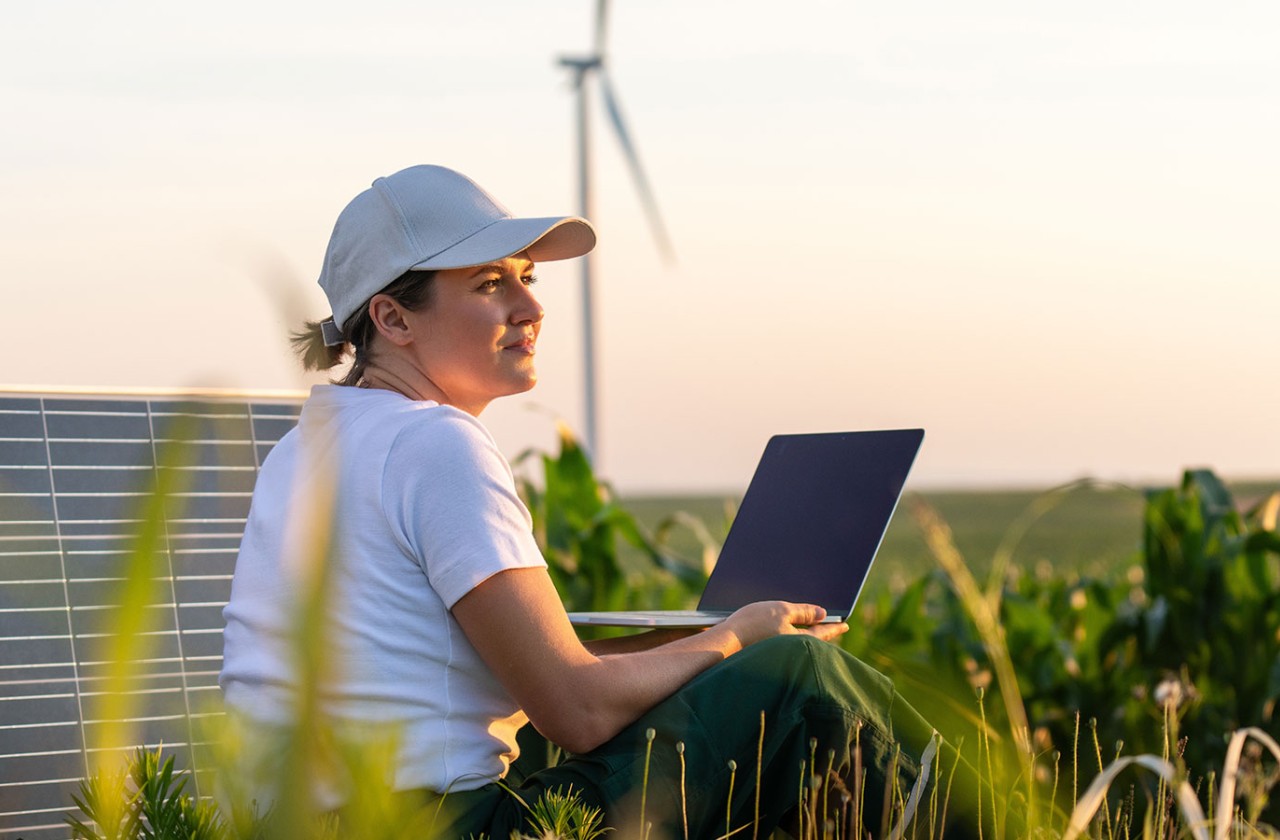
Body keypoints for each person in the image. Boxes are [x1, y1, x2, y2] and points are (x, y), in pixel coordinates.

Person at [219, 164, 973, 839]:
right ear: (392, 319)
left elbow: (536, 673)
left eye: (527, 278)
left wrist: (703, 647)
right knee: (800, 679)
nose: (528, 307)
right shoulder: (434, 445)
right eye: (489, 284)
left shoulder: (308, 449)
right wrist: (742, 639)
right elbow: (574, 711)